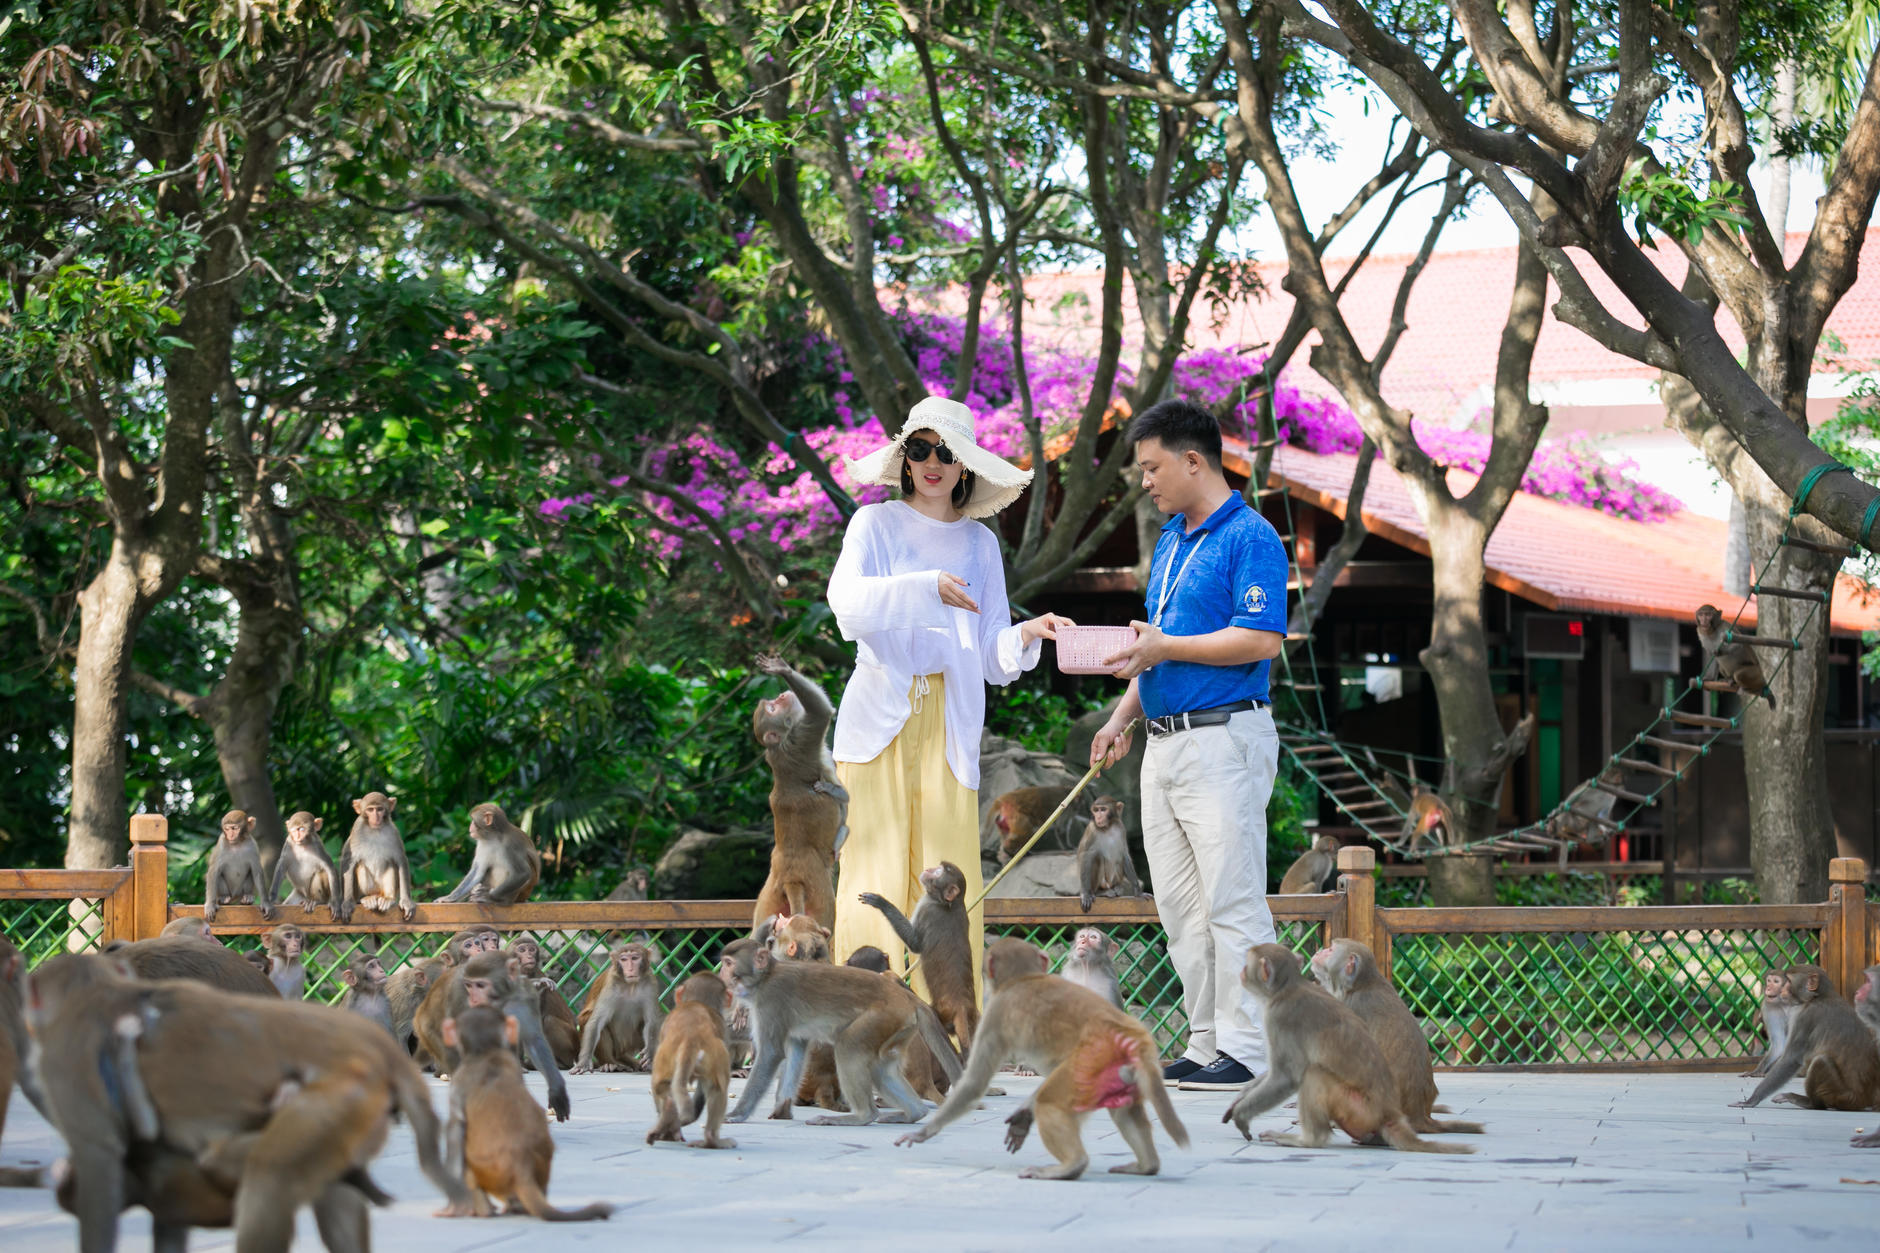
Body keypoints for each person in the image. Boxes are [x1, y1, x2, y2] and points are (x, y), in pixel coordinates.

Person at [827, 395, 1073, 989]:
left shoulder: (981, 544)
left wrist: (1026, 633)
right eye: (920, 449)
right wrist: (925, 587)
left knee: (947, 878)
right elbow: (847, 609)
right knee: (874, 870)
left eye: (947, 451)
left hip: (950, 722)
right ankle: (863, 1017)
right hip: (879, 714)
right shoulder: (875, 524)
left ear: (965, 464)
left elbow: (988, 653)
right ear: (904, 458)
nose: (932, 462)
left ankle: (943, 1038)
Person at [1090, 397, 1288, 1091]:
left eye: (1151, 467)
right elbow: (1156, 654)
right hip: (1162, 743)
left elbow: (1261, 639)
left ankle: (1251, 1048)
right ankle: (1208, 1043)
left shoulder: (1251, 536)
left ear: (1193, 459)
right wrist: (1118, 720)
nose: (1145, 482)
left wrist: (1166, 643)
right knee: (1179, 905)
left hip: (1224, 738)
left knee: (1232, 899)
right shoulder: (1173, 539)